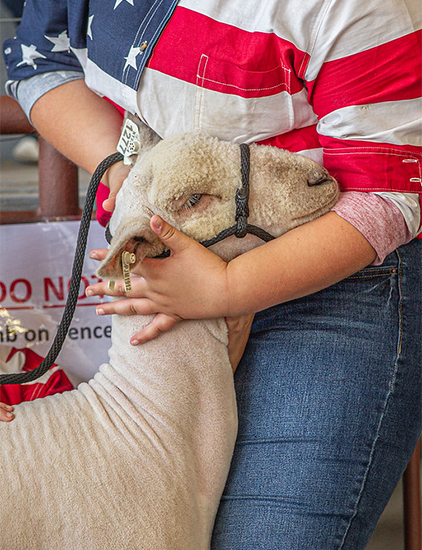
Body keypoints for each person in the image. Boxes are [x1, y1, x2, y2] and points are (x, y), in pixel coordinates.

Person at [2, 1, 421, 548]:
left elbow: (392, 190)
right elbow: (41, 58)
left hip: (332, 268)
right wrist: (141, 183)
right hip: (168, 253)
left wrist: (229, 289)